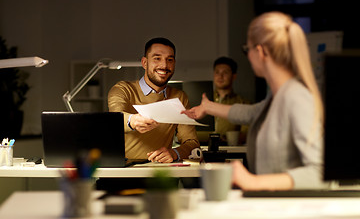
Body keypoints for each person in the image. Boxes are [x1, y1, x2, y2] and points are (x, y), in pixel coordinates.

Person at [182, 11, 329, 190]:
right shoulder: (278, 96)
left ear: (260, 51)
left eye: (247, 49)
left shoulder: (296, 97)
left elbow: (319, 172)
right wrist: (208, 107)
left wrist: (253, 182)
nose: (248, 55)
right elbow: (251, 113)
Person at [108, 37, 200, 163]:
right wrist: (132, 121)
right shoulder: (123, 89)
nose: (164, 65)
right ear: (145, 63)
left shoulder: (179, 97)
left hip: (159, 172)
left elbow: (192, 143)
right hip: (123, 172)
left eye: (170, 60)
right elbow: (115, 118)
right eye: (157, 58)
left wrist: (174, 153)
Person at [213, 56, 249, 145]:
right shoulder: (204, 100)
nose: (220, 76)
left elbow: (246, 133)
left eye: (225, 73)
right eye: (217, 72)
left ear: (234, 76)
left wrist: (228, 138)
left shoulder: (243, 103)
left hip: (230, 151)